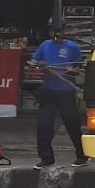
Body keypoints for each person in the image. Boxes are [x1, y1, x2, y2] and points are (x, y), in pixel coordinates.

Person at [30, 24, 89, 169]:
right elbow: (33, 62)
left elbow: (79, 69)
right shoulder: (45, 45)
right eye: (53, 31)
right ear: (50, 32)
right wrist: (40, 65)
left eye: (59, 31)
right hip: (48, 91)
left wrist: (72, 71)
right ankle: (47, 158)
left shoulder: (73, 47)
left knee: (72, 124)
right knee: (44, 125)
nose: (56, 34)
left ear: (64, 31)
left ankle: (82, 156)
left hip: (66, 91)